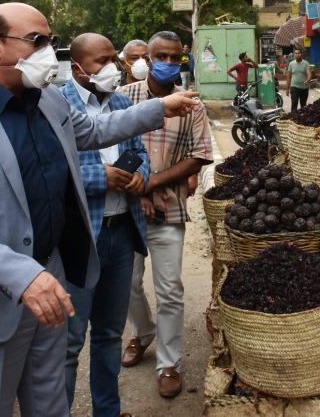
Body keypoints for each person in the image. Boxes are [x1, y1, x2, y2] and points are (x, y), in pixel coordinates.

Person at [0, 3, 201, 416]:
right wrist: (23, 275)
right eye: (37, 41)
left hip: (50, 281)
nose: (48, 51)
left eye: (52, 41)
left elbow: (95, 130)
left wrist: (158, 108)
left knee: (50, 404)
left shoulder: (47, 101)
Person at [61, 33, 150, 417]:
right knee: (67, 341)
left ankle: (107, 411)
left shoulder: (118, 101)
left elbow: (140, 151)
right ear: (78, 68)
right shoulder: (55, 105)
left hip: (120, 232)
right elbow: (50, 171)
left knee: (109, 335)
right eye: (102, 61)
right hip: (79, 240)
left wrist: (139, 175)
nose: (113, 67)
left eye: (114, 58)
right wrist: (102, 177)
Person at [121, 31, 213, 399]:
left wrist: (153, 183)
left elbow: (199, 155)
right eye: (162, 56)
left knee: (170, 288)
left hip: (168, 208)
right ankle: (142, 333)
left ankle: (169, 361)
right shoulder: (123, 99)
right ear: (145, 58)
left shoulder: (193, 105)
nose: (169, 63)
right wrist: (136, 188)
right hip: (125, 209)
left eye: (176, 58)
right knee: (126, 284)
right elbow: (110, 145)